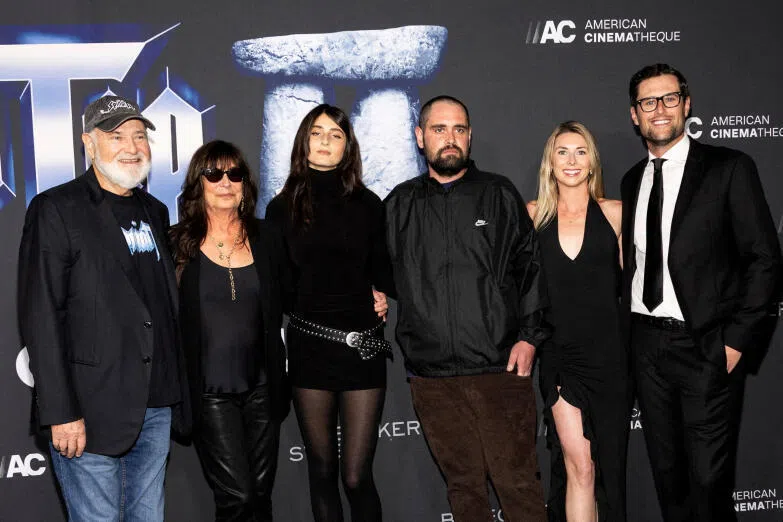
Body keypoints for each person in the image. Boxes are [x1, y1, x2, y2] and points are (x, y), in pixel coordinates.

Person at [621, 63, 782, 522]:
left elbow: (764, 259)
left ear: (686, 104)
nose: (659, 109)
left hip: (706, 346)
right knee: (669, 482)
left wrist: (735, 342)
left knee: (710, 486)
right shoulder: (633, 179)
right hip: (646, 346)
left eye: (669, 98)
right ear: (634, 114)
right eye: (648, 101)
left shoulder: (728, 168)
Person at [17, 95, 190, 521]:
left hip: (155, 406)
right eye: (116, 136)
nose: (132, 147)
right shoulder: (57, 208)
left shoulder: (154, 210)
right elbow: (41, 314)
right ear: (89, 144)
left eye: (139, 136)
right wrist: (61, 412)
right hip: (89, 411)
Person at [384, 95, 548, 521]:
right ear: (420, 137)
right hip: (432, 377)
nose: (450, 138)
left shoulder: (498, 194)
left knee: (519, 486)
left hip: (499, 368)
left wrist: (530, 337)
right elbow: (379, 272)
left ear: (470, 136)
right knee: (464, 490)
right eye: (439, 129)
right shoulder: (399, 204)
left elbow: (530, 269)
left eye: (458, 129)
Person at [265, 104, 393, 522]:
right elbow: (280, 286)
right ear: (304, 142)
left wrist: (380, 295)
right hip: (310, 348)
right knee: (321, 472)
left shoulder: (369, 204)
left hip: (362, 347)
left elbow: (383, 273)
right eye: (317, 133)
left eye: (335, 135)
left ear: (347, 147)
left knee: (357, 477)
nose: (325, 141)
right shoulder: (281, 209)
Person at [169, 140, 291, 521]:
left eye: (234, 173)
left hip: (263, 388)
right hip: (210, 394)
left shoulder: (267, 237)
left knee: (260, 497)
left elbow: (299, 291)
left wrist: (368, 293)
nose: (225, 182)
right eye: (214, 173)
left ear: (245, 184)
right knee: (237, 497)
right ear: (198, 182)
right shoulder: (177, 243)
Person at [528, 121, 631, 522]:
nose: (572, 160)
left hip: (610, 359)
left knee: (609, 470)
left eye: (581, 151)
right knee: (579, 467)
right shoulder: (532, 216)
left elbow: (636, 285)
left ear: (592, 162)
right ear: (550, 163)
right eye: (562, 152)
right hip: (560, 358)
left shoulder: (615, 213)